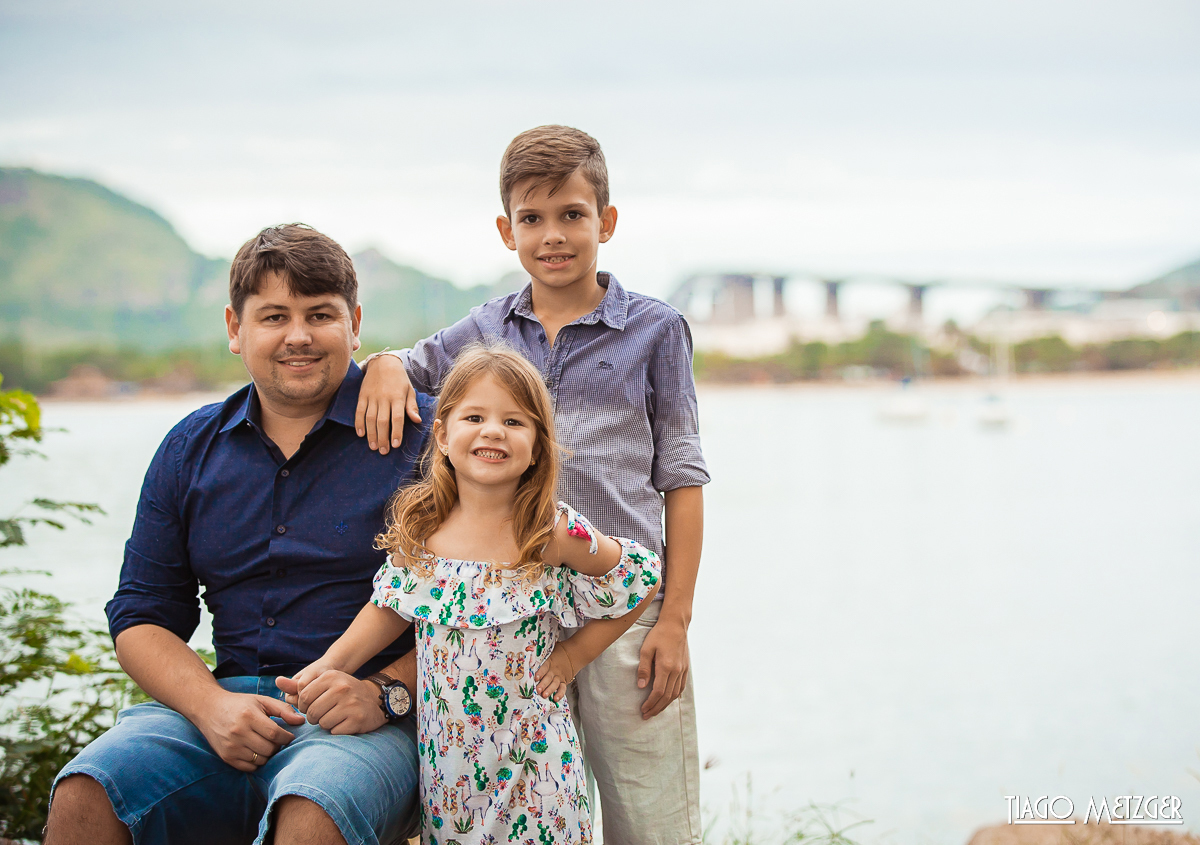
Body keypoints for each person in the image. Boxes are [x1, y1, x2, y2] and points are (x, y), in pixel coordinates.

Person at [356, 125, 710, 844]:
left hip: (622, 605)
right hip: (511, 615)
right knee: (524, 815)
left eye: (572, 214)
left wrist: (674, 618)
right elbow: (413, 366)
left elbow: (682, 477)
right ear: (506, 230)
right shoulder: (486, 327)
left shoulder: (656, 329)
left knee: (652, 821)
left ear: (605, 221)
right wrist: (386, 362)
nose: (553, 235)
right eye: (532, 217)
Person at [44, 224, 433, 845]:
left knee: (314, 807)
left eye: (320, 315)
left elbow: (493, 599)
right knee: (88, 791)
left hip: (365, 721)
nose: (298, 335)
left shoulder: (428, 439)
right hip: (219, 711)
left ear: (355, 323)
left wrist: (387, 694)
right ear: (235, 328)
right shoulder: (190, 448)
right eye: (274, 316)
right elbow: (142, 614)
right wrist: (209, 706)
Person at [291, 344, 661, 845]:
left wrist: (573, 656)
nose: (493, 431)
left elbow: (641, 578)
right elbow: (389, 608)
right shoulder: (423, 526)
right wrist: (329, 665)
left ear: (538, 446)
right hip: (452, 770)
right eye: (474, 417)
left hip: (536, 770)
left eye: (514, 421)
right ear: (442, 435)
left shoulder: (549, 532)